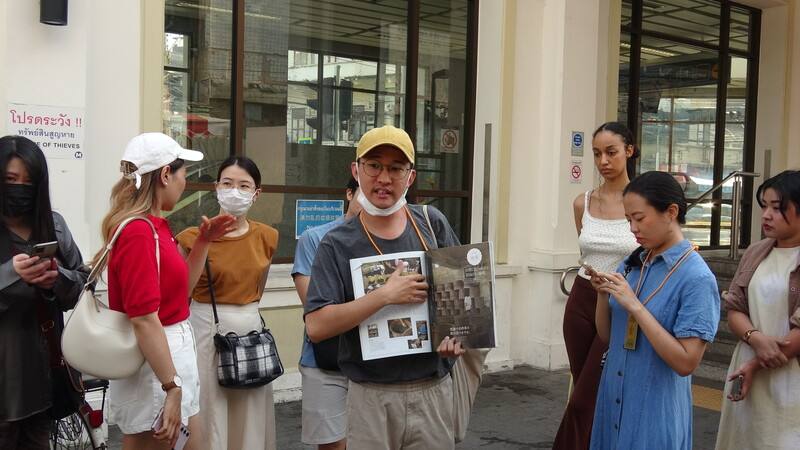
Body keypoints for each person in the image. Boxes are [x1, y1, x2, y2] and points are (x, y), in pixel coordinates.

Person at [304, 125, 464, 450]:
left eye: (396, 168)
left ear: (411, 175)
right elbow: (317, 326)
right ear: (356, 170)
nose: (384, 178)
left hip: (432, 391)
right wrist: (384, 296)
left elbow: (462, 303)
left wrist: (456, 337)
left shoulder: (432, 224)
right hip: (369, 396)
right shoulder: (336, 243)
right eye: (374, 165)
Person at [98, 133, 235, 450]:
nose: (184, 181)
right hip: (157, 369)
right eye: (183, 172)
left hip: (169, 362)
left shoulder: (154, 226)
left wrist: (203, 242)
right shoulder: (138, 232)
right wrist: (172, 387)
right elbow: (144, 318)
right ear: (164, 175)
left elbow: (179, 294)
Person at [589, 171, 720, 450]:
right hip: (613, 399)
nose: (633, 228)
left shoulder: (696, 278)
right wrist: (603, 296)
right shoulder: (632, 263)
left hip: (653, 410)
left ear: (670, 212)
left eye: (639, 218)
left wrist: (634, 305)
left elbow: (686, 362)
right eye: (628, 220)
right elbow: (607, 336)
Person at [176, 156, 279, 450]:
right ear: (216, 187)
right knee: (209, 411)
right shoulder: (191, 238)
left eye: (244, 185)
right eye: (228, 183)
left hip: (251, 339)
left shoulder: (267, 237)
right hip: (207, 336)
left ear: (256, 193)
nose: (235, 191)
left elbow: (258, 287)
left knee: (249, 414)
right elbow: (182, 292)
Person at [553, 122, 639, 450]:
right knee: (584, 393)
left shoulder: (642, 203)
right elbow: (586, 251)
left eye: (611, 152)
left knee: (584, 400)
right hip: (582, 298)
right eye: (597, 154)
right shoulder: (582, 202)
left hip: (620, 304)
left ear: (629, 151)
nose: (603, 160)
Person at [0, 136, 87, 450]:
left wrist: (56, 278)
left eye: (28, 181)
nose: (19, 188)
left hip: (42, 382)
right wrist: (12, 274)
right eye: (10, 180)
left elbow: (80, 286)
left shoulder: (54, 226)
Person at [715, 170, 800, 450]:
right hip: (749, 363)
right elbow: (735, 307)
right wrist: (756, 338)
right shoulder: (756, 251)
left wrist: (759, 360)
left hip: (788, 372)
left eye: (777, 208)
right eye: (764, 206)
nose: (765, 215)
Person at [292, 176, 361, 450]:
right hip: (325, 361)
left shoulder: (387, 241)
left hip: (373, 363)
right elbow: (315, 308)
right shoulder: (315, 238)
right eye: (362, 193)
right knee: (333, 445)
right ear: (349, 194)